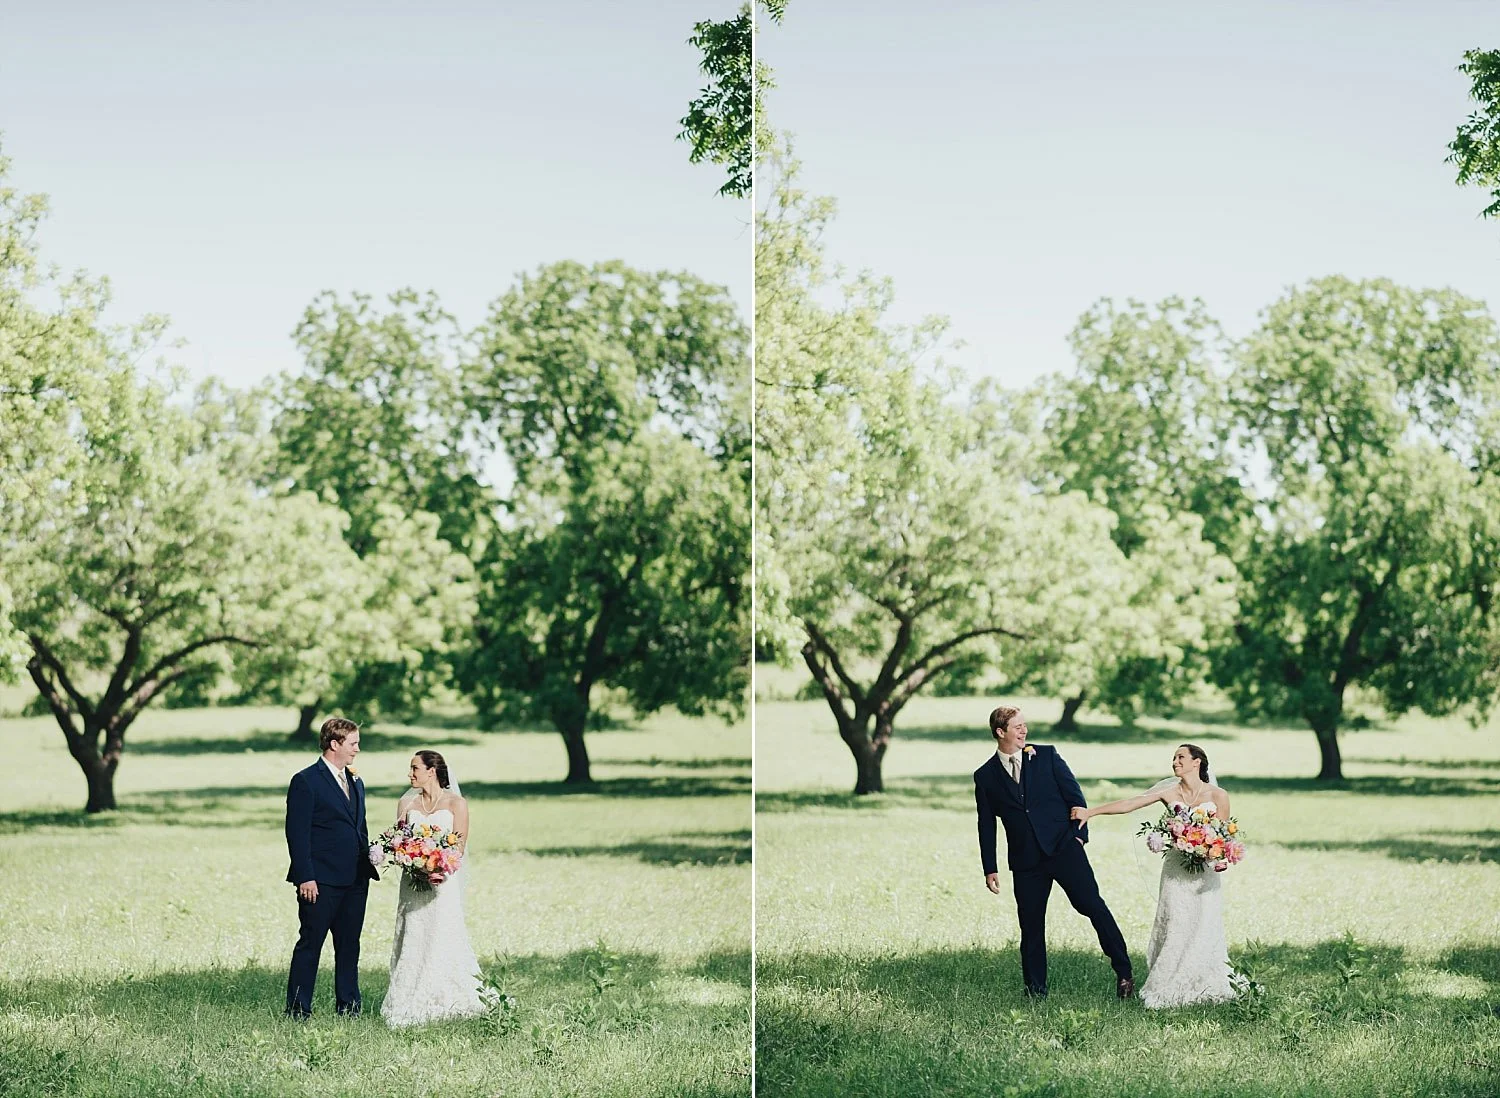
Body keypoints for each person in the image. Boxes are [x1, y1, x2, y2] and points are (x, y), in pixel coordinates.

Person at [975, 705, 1134, 999]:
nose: (1024, 731)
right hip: (1025, 861)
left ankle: (1124, 972)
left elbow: (1076, 799)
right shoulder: (984, 776)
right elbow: (986, 823)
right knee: (1031, 925)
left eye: (1024, 725)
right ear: (1000, 732)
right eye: (1017, 727)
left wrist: (1079, 839)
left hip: (1064, 849)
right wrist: (990, 867)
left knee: (1092, 906)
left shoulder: (1046, 756)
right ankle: (1035, 991)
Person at [1070, 743, 1236, 1008]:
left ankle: (1203, 977)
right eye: (1174, 758)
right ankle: (1169, 979)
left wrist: (1214, 854)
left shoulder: (1218, 795)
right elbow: (1131, 803)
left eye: (1181, 757)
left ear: (1197, 762)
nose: (1175, 762)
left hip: (1204, 873)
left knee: (1203, 922)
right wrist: (1091, 812)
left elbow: (1224, 836)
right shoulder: (1169, 792)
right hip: (1176, 869)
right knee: (1176, 920)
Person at [380, 749, 494, 1027]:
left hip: (443, 884)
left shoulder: (456, 803)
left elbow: (459, 847)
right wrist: (414, 863)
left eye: (415, 768)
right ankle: (407, 995)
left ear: (431, 771)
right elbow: (399, 842)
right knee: (413, 933)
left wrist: (438, 868)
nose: (410, 774)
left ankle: (446, 993)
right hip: (413, 883)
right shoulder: (406, 803)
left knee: (441, 932)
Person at [284, 716, 379, 1018]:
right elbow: (297, 834)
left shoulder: (355, 780)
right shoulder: (306, 781)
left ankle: (349, 1007)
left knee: (349, 946)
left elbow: (358, 826)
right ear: (334, 744)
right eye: (353, 743)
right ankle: (298, 1010)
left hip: (356, 879)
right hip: (320, 881)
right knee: (311, 944)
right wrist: (305, 877)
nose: (357, 749)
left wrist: (370, 856)